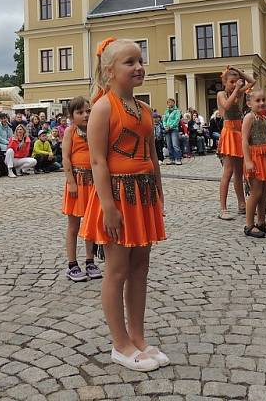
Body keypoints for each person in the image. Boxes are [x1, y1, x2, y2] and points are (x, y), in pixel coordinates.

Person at [80, 37, 167, 373]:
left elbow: (152, 155)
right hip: (116, 196)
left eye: (140, 60)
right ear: (109, 70)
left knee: (140, 269)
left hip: (143, 196)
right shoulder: (103, 107)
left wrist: (158, 193)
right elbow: (98, 162)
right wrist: (108, 206)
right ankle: (120, 343)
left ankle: (139, 337)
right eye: (129, 62)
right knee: (117, 270)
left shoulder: (144, 109)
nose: (138, 67)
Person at [61, 96, 102, 282]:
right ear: (71, 116)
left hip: (93, 182)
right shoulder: (70, 132)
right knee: (74, 225)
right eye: (80, 112)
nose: (85, 115)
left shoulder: (95, 130)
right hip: (77, 182)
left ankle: (90, 260)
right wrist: (70, 181)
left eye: (88, 111)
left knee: (91, 223)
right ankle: (72, 264)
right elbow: (66, 158)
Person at [216, 66, 254, 220]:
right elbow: (225, 106)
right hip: (229, 132)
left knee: (239, 172)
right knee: (228, 171)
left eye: (235, 82)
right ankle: (223, 208)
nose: (234, 84)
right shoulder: (221, 94)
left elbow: (253, 81)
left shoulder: (239, 92)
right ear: (225, 82)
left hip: (239, 132)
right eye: (231, 82)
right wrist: (237, 89)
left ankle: (242, 204)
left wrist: (239, 72)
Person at [241, 89, 266, 238]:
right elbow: (244, 140)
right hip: (254, 158)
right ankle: (249, 225)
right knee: (255, 193)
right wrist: (248, 161)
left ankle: (261, 222)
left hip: (265, 157)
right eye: (258, 101)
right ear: (249, 103)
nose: (262, 103)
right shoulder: (249, 118)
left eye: (264, 100)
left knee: (264, 193)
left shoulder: (263, 118)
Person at [162, 98, 182, 165]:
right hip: (167, 130)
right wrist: (165, 126)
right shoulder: (166, 111)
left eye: (171, 102)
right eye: (168, 102)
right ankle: (171, 159)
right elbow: (164, 120)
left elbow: (177, 120)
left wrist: (170, 126)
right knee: (169, 145)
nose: (170, 103)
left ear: (174, 103)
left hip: (174, 129)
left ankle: (178, 159)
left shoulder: (177, 111)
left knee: (175, 144)